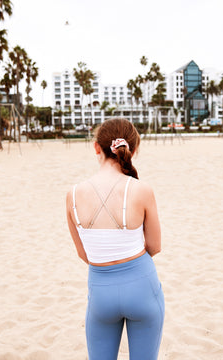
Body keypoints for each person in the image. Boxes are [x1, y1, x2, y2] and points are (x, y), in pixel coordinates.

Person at [66, 118, 164, 360]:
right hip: (142, 286)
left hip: (101, 290)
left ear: (96, 147)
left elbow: (84, 254)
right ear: (133, 149)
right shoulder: (142, 190)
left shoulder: (73, 195)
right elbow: (155, 246)